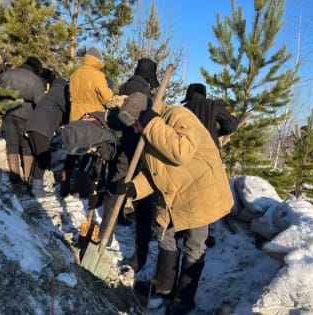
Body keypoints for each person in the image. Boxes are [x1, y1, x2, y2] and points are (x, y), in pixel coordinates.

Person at [116, 92, 234, 315]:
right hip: (175, 192)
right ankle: (163, 287)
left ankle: (184, 299)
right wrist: (133, 188)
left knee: (195, 244)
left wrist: (152, 124)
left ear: (147, 115)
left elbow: (181, 152)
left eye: (135, 123)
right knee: (165, 235)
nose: (134, 129)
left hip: (201, 191)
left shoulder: (179, 116)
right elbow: (153, 173)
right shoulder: (150, 131)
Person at [99, 58, 160, 272]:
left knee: (114, 189)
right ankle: (139, 254)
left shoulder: (125, 86)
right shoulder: (143, 93)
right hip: (136, 153)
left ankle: (103, 239)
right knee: (143, 202)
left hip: (120, 148)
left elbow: (114, 121)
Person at [181, 83, 239, 246]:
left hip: (186, 156)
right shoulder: (213, 105)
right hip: (208, 158)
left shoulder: (184, 109)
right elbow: (232, 125)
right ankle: (202, 236)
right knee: (205, 198)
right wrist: (216, 133)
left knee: (186, 194)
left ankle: (182, 228)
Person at [60, 48, 114, 198]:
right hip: (91, 119)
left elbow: (70, 94)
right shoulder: (98, 76)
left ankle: (64, 186)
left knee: (72, 152)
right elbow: (107, 98)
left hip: (75, 117)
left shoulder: (75, 74)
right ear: (98, 60)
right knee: (88, 154)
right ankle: (80, 189)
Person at [0, 56, 46, 187]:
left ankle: (14, 176)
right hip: (27, 116)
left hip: (9, 113)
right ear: (36, 69)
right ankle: (28, 176)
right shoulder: (35, 80)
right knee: (27, 145)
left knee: (11, 143)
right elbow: (40, 104)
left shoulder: (7, 75)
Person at [26, 75, 70, 197]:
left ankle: (32, 186)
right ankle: (37, 189)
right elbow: (66, 109)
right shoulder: (59, 91)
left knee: (38, 157)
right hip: (41, 129)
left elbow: (54, 114)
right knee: (43, 159)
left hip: (33, 127)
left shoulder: (51, 93)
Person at [181, 83, 239, 149]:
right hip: (211, 152)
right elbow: (231, 126)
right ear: (204, 93)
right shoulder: (212, 104)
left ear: (189, 95)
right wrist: (216, 133)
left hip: (188, 153)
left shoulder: (183, 109)